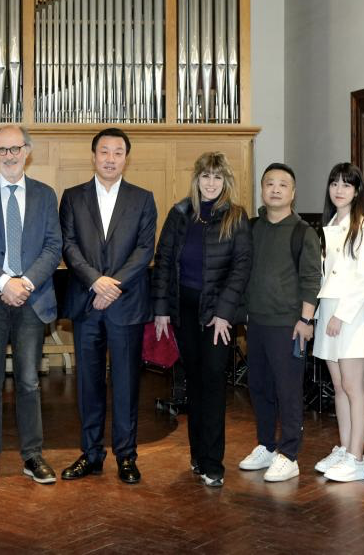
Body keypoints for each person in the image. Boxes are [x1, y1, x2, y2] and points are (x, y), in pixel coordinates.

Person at [0, 125, 63, 487]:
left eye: (15, 148)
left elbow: (53, 247)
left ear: (27, 151)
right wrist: (5, 282)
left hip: (32, 300)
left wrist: (25, 283)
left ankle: (33, 456)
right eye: (2, 150)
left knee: (29, 383)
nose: (9, 156)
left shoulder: (45, 195)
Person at [58, 127, 157, 484]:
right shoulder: (72, 197)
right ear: (94, 156)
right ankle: (91, 454)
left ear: (126, 158)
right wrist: (94, 281)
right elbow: (68, 245)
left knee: (126, 384)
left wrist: (112, 285)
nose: (110, 158)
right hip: (87, 303)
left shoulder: (143, 199)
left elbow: (145, 249)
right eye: (104, 151)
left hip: (125, 304)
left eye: (118, 152)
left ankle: (126, 456)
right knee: (88, 383)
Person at [152, 152, 252, 488]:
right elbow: (164, 261)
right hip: (183, 311)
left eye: (217, 177)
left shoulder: (236, 217)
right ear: (196, 180)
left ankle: (213, 462)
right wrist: (162, 309)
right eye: (205, 176)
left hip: (217, 316)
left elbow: (241, 268)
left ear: (226, 181)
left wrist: (224, 313)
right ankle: (197, 455)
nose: (211, 183)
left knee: (212, 384)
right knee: (192, 383)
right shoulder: (180, 213)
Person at [237, 162, 321, 483]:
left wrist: (305, 319)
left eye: (283, 185)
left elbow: (312, 278)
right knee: (259, 388)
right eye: (269, 183)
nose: (275, 189)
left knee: (288, 391)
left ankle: (289, 454)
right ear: (262, 189)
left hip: (289, 325)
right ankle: (266, 445)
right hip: (256, 323)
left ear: (293, 192)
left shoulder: (303, 232)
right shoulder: (251, 228)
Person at [311, 163, 364, 483]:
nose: (339, 190)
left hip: (350, 316)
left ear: (357, 191)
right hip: (328, 312)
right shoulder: (330, 224)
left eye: (346, 185)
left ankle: (357, 457)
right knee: (338, 387)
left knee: (354, 386)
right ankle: (344, 447)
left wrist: (341, 314)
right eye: (334, 183)